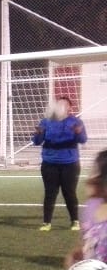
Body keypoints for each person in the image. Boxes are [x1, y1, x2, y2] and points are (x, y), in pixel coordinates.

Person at [33, 96, 86, 231]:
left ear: (70, 108)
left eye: (64, 104)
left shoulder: (76, 121)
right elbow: (37, 141)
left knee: (69, 192)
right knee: (50, 193)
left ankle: (75, 221)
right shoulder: (46, 121)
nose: (61, 106)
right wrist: (38, 133)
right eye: (59, 104)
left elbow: (83, 139)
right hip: (49, 163)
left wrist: (78, 133)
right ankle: (46, 223)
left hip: (70, 163)